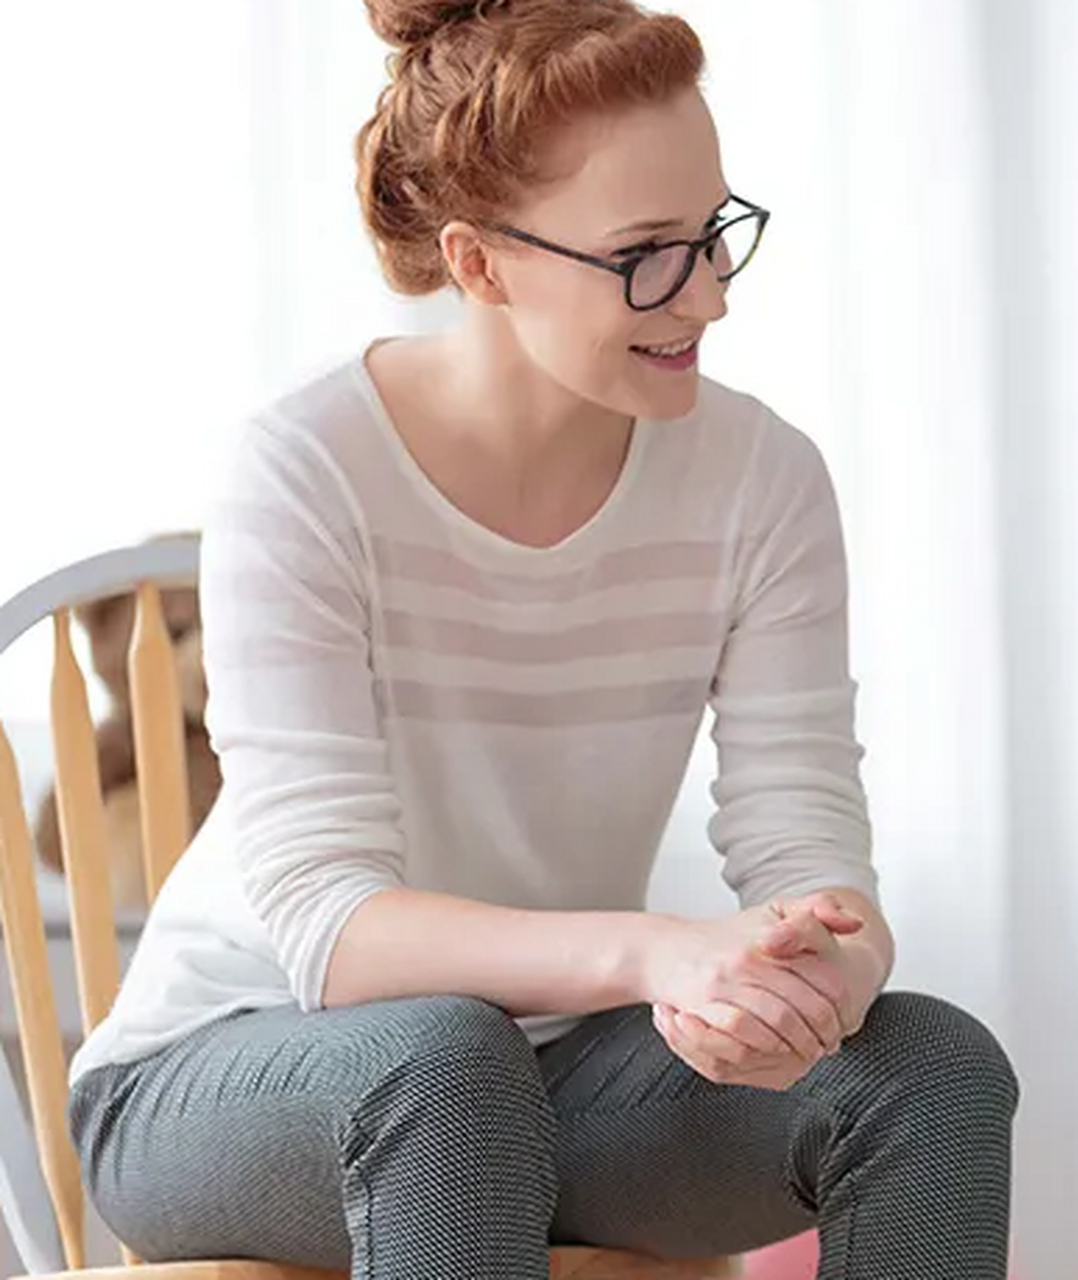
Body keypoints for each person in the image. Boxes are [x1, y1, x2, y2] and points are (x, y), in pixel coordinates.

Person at [65, 3, 1017, 1276]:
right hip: (232, 1071)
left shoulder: (762, 479)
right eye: (644, 255)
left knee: (926, 1066)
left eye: (713, 236)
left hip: (539, 1076)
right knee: (446, 1061)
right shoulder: (307, 470)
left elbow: (808, 840)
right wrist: (649, 950)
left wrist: (815, 973)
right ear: (477, 262)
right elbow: (331, 924)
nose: (709, 297)